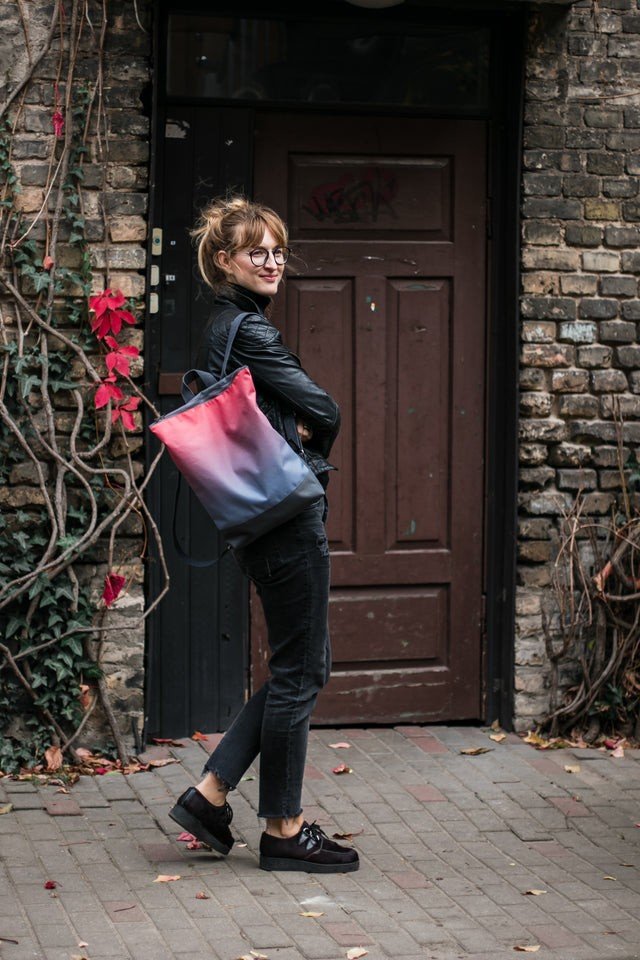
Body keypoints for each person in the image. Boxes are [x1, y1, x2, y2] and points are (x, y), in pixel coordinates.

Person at [169, 196, 359, 874]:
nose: (273, 262)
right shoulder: (249, 330)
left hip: (259, 516)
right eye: (258, 252)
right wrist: (306, 429)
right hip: (284, 515)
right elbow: (324, 407)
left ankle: (209, 795)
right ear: (226, 260)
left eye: (279, 251)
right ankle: (284, 828)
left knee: (301, 666)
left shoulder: (224, 328)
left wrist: (292, 421)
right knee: (300, 670)